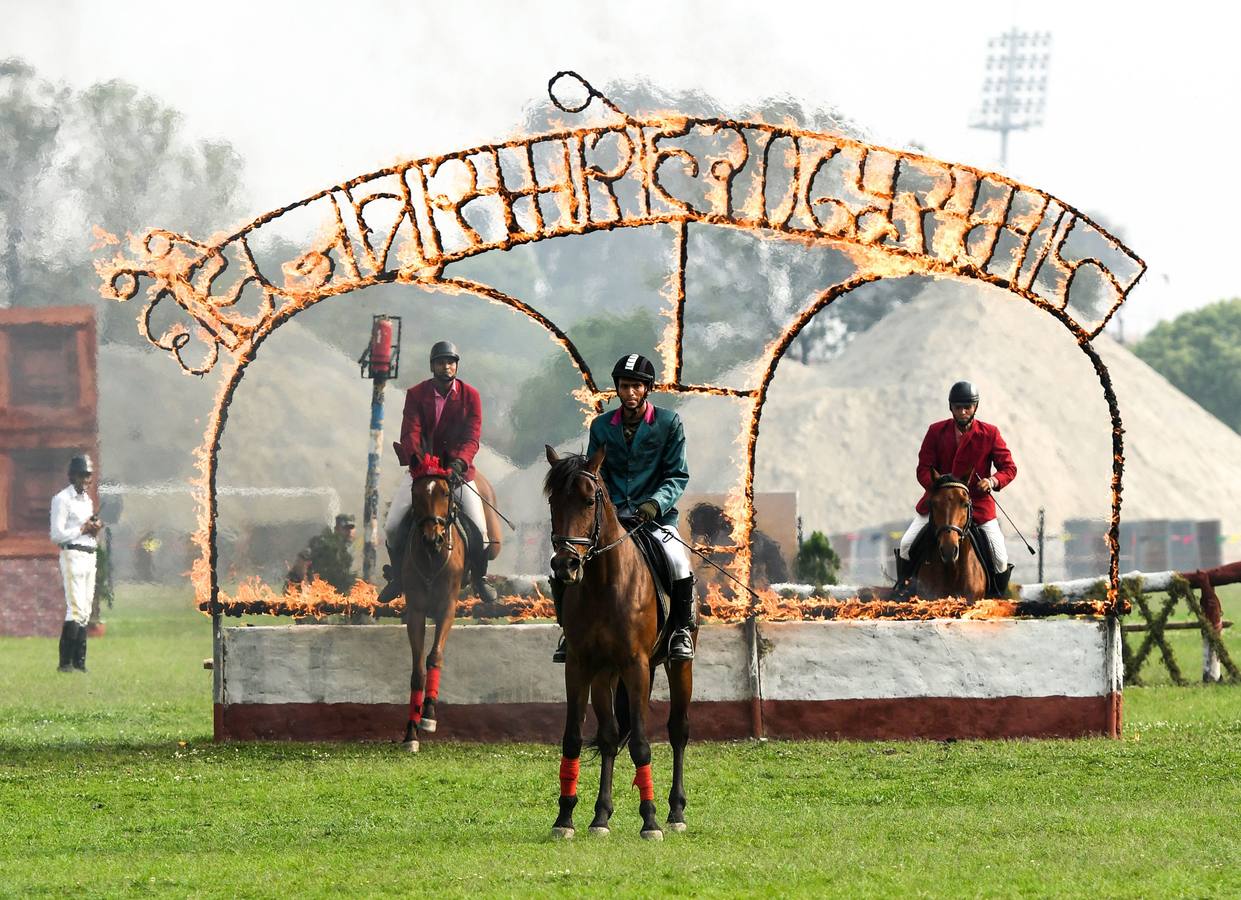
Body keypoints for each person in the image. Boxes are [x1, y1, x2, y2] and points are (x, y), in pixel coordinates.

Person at [552, 353, 695, 663]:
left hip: (655, 518)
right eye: (624, 386)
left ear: (647, 389)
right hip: (611, 518)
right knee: (564, 560)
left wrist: (654, 504)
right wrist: (608, 509)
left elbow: (677, 475)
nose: (629, 393)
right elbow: (592, 473)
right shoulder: (601, 426)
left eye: (636, 387)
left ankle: (681, 630)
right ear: (616, 388)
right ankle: (568, 630)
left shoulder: (669, 423)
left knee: (678, 562)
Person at [379, 341, 496, 604]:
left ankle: (479, 578)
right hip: (422, 473)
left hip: (458, 474)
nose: (447, 366)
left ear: (456, 366)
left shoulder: (471, 396)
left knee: (481, 531)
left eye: (451, 362)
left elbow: (472, 437)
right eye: (441, 362)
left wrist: (459, 463)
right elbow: (411, 432)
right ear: (432, 366)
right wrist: (420, 463)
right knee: (392, 526)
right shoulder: (416, 394)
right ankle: (397, 577)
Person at [894, 381, 1017, 598]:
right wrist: (938, 487)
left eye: (967, 407)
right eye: (958, 407)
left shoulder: (990, 433)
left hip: (977, 504)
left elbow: (1009, 468)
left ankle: (998, 598)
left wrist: (992, 481)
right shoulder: (935, 431)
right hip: (940, 504)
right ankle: (902, 590)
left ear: (975, 407)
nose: (962, 411)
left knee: (1000, 558)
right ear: (950, 407)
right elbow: (923, 468)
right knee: (906, 544)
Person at [50, 454, 101, 673]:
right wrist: (82, 529)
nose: (86, 479)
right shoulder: (62, 499)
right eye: (82, 475)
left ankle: (79, 662)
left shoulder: (87, 501)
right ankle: (65, 663)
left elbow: (86, 531)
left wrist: (93, 529)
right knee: (76, 608)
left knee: (86, 609)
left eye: (88, 475)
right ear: (72, 476)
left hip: (90, 553)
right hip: (72, 555)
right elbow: (57, 534)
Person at [307, 513, 357, 594]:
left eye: (351, 528)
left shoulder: (346, 549)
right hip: (326, 592)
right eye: (345, 528)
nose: (349, 532)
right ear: (337, 529)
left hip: (334, 593)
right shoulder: (329, 546)